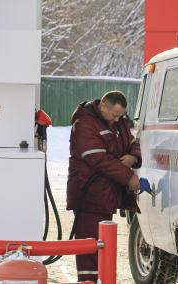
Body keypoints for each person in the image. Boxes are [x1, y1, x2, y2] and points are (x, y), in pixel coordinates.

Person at [67, 90, 141, 282]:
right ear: (102, 106)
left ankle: (101, 278)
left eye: (121, 115)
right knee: (89, 249)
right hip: (88, 194)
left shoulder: (119, 123)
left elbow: (133, 142)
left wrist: (133, 156)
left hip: (106, 195)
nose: (117, 119)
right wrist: (129, 177)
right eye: (114, 114)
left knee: (102, 246)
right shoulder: (85, 123)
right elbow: (98, 159)